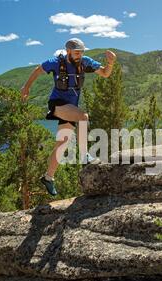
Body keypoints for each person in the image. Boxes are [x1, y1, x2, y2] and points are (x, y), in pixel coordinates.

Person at [21, 38, 117, 196]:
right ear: (68, 51)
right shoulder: (56, 62)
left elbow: (105, 74)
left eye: (82, 52)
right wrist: (26, 87)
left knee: (62, 145)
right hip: (57, 104)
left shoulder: (85, 62)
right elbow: (38, 70)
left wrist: (111, 62)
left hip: (70, 108)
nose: (80, 55)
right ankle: (84, 155)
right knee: (83, 117)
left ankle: (48, 177)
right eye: (77, 52)